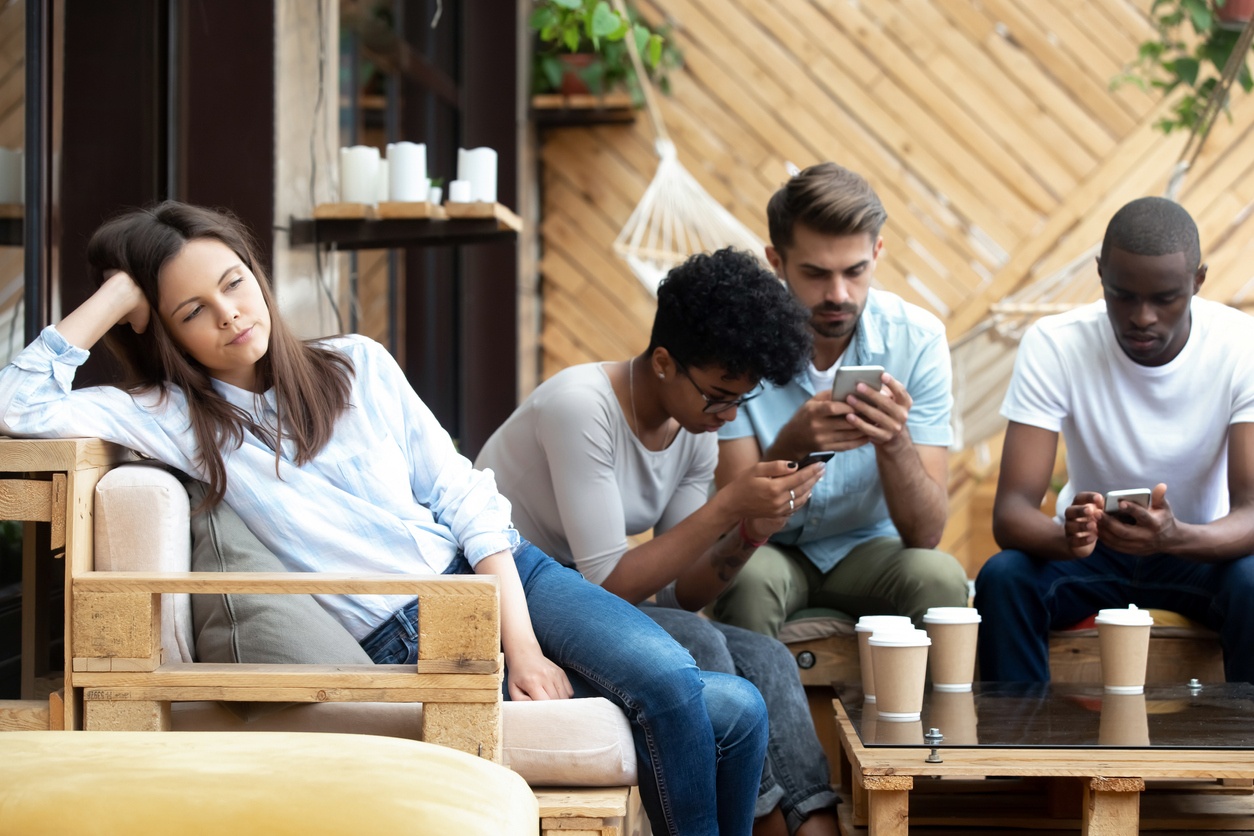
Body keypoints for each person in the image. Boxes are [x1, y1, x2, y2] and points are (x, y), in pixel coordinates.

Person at [0, 201, 770, 836]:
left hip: (508, 575)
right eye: (193, 311)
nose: (231, 316)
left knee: (694, 685)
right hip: (414, 626)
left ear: (258, 276)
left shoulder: (359, 365)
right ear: (164, 331)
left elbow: (465, 497)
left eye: (235, 284)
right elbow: (18, 405)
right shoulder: (170, 417)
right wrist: (117, 297)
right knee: (727, 709)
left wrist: (524, 649)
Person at [476, 248, 838, 836]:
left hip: (587, 604)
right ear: (665, 362)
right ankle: (749, 822)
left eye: (740, 399)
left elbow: (676, 593)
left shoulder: (692, 426)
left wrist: (747, 533)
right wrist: (727, 505)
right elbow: (606, 585)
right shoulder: (581, 406)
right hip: (520, 596)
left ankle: (815, 824)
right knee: (703, 645)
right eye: (719, 394)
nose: (728, 414)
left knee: (766, 656)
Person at [975, 196, 1254, 684]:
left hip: (1197, 553)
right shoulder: (1057, 343)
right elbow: (1012, 513)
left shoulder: (1240, 346)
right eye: (1122, 295)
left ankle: (1242, 758)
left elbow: (1252, 511)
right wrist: (1071, 536)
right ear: (1100, 274)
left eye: (1165, 298)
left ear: (1198, 281)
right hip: (1090, 557)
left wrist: (1176, 536)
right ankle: (1020, 759)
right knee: (1004, 577)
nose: (1142, 317)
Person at [710, 163, 969, 639]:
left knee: (941, 578)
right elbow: (731, 520)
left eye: (856, 271)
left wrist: (894, 442)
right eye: (815, 274)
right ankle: (757, 718)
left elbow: (926, 534)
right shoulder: (738, 343)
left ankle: (936, 718)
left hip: (868, 552)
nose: (838, 294)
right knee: (746, 580)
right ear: (776, 261)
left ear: (877, 252)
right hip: (768, 548)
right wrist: (793, 443)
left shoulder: (918, 340)